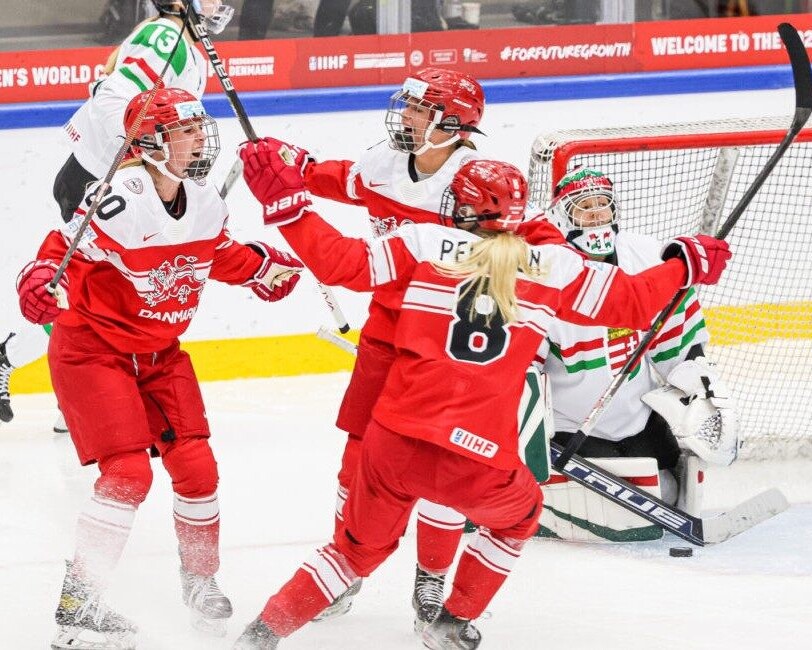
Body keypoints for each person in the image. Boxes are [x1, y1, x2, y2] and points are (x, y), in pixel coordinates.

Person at [229, 149, 731, 649]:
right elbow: (636, 302)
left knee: (351, 553)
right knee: (520, 515)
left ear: (460, 207)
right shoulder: (553, 267)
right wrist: (684, 263)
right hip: (477, 454)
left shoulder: (422, 241)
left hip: (393, 441)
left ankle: (260, 635)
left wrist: (289, 206)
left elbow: (340, 262)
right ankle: (451, 621)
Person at [16, 88, 302, 650]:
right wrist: (38, 277)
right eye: (187, 129)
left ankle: (199, 582)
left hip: (161, 354)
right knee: (128, 474)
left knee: (198, 470)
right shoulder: (118, 197)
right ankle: (78, 609)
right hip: (94, 350)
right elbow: (58, 250)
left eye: (201, 126)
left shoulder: (203, 201)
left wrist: (263, 270)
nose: (202, 136)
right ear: (149, 141)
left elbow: (210, 253)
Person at [284, 67, 489, 624]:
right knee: (356, 457)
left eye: (420, 111)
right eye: (409, 107)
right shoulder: (385, 161)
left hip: (449, 342)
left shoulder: (479, 181)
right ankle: (343, 569)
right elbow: (344, 180)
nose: (406, 118)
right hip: (386, 333)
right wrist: (293, 167)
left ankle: (431, 579)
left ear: (452, 123)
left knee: (446, 464)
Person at [0, 0, 233, 433]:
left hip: (130, 181)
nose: (222, 4)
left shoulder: (183, 42)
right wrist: (130, 167)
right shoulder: (166, 37)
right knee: (92, 299)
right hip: (104, 182)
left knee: (114, 297)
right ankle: (17, 360)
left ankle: (78, 394)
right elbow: (114, 99)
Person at [533, 168, 737, 534]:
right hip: (575, 428)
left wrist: (700, 390)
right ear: (563, 215)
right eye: (584, 207)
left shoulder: (644, 255)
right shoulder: (552, 272)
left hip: (641, 417)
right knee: (622, 518)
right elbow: (524, 369)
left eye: (603, 205)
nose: (596, 215)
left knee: (672, 492)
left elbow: (678, 341)